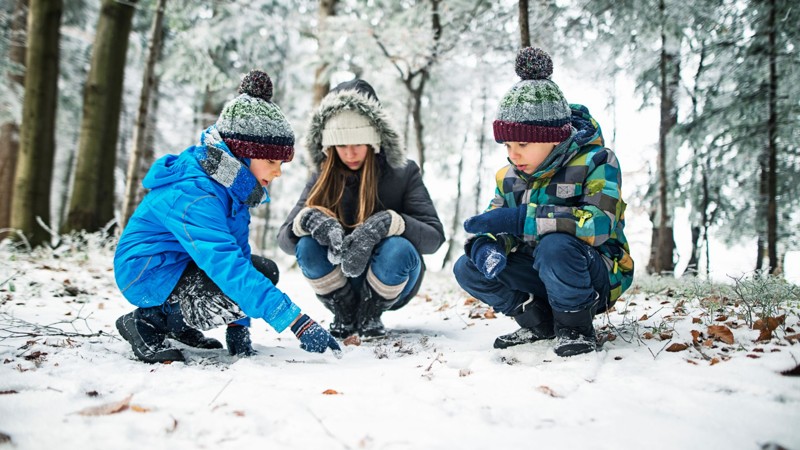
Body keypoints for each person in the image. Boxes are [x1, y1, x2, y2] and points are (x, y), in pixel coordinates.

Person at [114, 70, 341, 364]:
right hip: (147, 272)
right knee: (235, 280)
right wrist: (297, 322)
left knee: (263, 270)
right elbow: (225, 265)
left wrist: (239, 328)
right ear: (242, 154)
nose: (277, 171)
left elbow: (239, 257)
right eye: (271, 161)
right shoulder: (196, 193)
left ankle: (175, 322)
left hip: (181, 266)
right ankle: (146, 321)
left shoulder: (232, 187)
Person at [453, 48, 634, 357]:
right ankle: (538, 320)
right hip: (540, 270)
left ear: (554, 136)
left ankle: (574, 326)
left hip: (594, 274)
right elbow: (497, 220)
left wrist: (521, 219)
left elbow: (599, 223)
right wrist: (488, 245)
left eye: (522, 143)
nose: (513, 154)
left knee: (556, 247)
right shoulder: (509, 176)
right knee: (467, 268)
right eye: (508, 144)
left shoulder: (597, 161)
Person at [278, 79, 445, 338]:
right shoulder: (322, 175)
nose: (351, 152)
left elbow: (434, 239)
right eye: (341, 145)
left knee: (398, 248)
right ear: (330, 146)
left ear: (374, 140)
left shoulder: (403, 172)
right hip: (339, 279)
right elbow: (285, 242)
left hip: (390, 276)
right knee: (306, 245)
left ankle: (371, 313)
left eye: (358, 143)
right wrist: (308, 221)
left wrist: (391, 223)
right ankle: (343, 312)